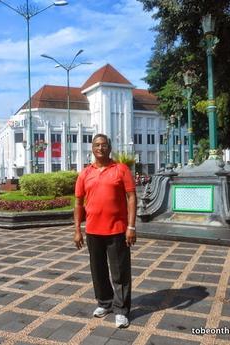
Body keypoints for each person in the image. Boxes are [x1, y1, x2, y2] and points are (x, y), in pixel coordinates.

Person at [74, 133, 137, 328]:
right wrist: (77, 229)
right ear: (92, 149)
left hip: (117, 230)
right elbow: (78, 202)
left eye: (104, 145)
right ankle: (105, 302)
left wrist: (131, 226)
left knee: (120, 273)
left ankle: (121, 310)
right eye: (96, 145)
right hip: (93, 231)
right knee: (98, 271)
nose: (100, 148)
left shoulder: (121, 169)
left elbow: (132, 198)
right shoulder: (85, 173)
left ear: (109, 148)